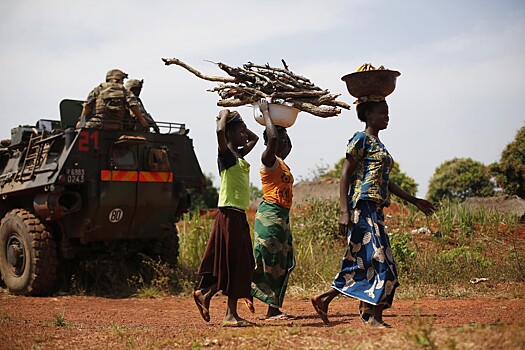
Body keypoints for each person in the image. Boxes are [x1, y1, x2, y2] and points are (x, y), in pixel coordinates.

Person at [311, 97, 435, 328]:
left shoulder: (380, 145)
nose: (386, 117)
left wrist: (414, 200)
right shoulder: (360, 139)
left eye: (387, 113)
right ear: (368, 115)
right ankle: (373, 318)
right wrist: (343, 212)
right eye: (382, 113)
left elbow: (386, 182)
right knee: (380, 262)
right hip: (361, 207)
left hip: (375, 210)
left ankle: (325, 299)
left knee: (366, 262)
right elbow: (345, 176)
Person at [193, 109, 259, 327]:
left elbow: (255, 138)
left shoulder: (239, 155)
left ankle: (206, 293)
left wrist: (239, 122)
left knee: (239, 263)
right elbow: (220, 131)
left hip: (237, 215)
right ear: (229, 135)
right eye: (240, 132)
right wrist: (224, 115)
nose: (244, 135)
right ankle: (230, 315)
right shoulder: (227, 155)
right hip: (229, 214)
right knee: (235, 263)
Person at [250, 99, 296, 320]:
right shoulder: (267, 160)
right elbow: (274, 138)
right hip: (270, 216)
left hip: (281, 217)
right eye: (282, 139)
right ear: (270, 142)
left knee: (282, 262)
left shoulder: (282, 163)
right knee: (268, 261)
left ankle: (272, 308)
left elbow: (280, 139)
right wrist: (267, 112)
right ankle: (245, 293)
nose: (286, 142)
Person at [76, 69, 148, 130]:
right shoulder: (125, 91)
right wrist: (142, 120)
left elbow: (87, 106)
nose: (123, 82)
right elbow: (133, 105)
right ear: (117, 79)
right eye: (122, 80)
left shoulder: (98, 89)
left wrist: (81, 123)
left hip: (98, 124)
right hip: (119, 125)